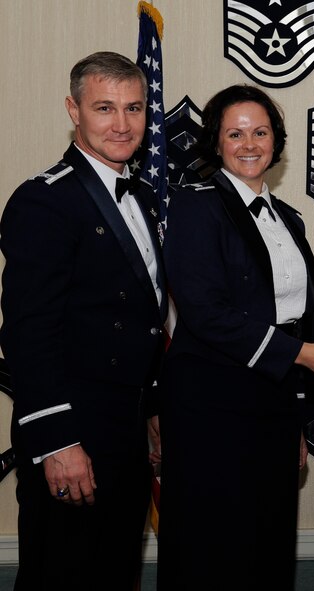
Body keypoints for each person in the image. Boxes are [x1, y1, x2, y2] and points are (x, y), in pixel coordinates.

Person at [157, 84, 314, 590]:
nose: (249, 143)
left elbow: (301, 313)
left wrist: (303, 408)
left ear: (276, 139)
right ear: (216, 143)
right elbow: (206, 314)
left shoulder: (286, 217)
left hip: (273, 398)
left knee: (267, 539)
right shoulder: (194, 206)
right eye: (236, 133)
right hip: (211, 402)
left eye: (260, 131)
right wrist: (305, 355)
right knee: (212, 544)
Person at [0, 51, 167, 589]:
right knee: (62, 576)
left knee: (116, 574)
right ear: (74, 110)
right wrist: (57, 443)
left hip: (124, 431)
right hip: (71, 435)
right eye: (104, 108)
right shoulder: (42, 202)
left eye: (135, 108)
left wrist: (152, 409)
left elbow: (142, 317)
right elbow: (30, 332)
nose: (122, 124)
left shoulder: (141, 196)